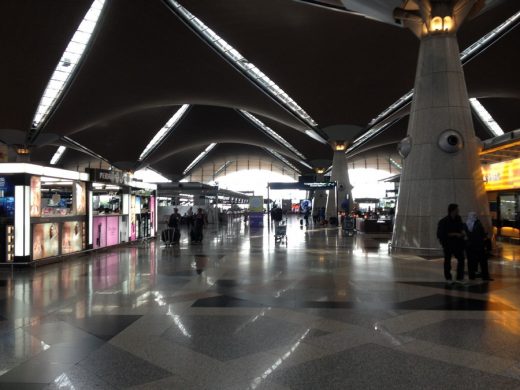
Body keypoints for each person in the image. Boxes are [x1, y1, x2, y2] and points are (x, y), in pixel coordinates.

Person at [437, 204, 466, 282]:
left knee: (461, 259)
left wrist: (462, 232)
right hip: (448, 244)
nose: (458, 211)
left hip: (458, 244)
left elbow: (461, 227)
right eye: (457, 209)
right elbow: (441, 234)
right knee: (447, 260)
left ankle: (459, 277)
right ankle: (448, 277)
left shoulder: (458, 219)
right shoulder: (444, 221)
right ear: (452, 210)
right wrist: (455, 234)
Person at [465, 212, 493, 281]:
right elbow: (482, 234)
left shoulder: (466, 224)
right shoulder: (478, 223)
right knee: (483, 262)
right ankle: (485, 276)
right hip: (479, 246)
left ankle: (472, 276)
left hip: (470, 246)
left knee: (471, 262)